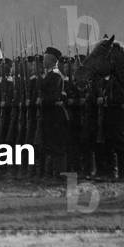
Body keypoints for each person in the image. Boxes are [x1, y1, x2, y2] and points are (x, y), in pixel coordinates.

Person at [40, 46, 69, 179]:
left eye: (45, 59)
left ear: (52, 60)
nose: (43, 61)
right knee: (51, 145)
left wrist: (42, 100)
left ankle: (60, 175)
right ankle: (53, 173)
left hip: (56, 116)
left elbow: (54, 96)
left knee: (58, 146)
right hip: (51, 114)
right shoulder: (50, 75)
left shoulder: (56, 76)